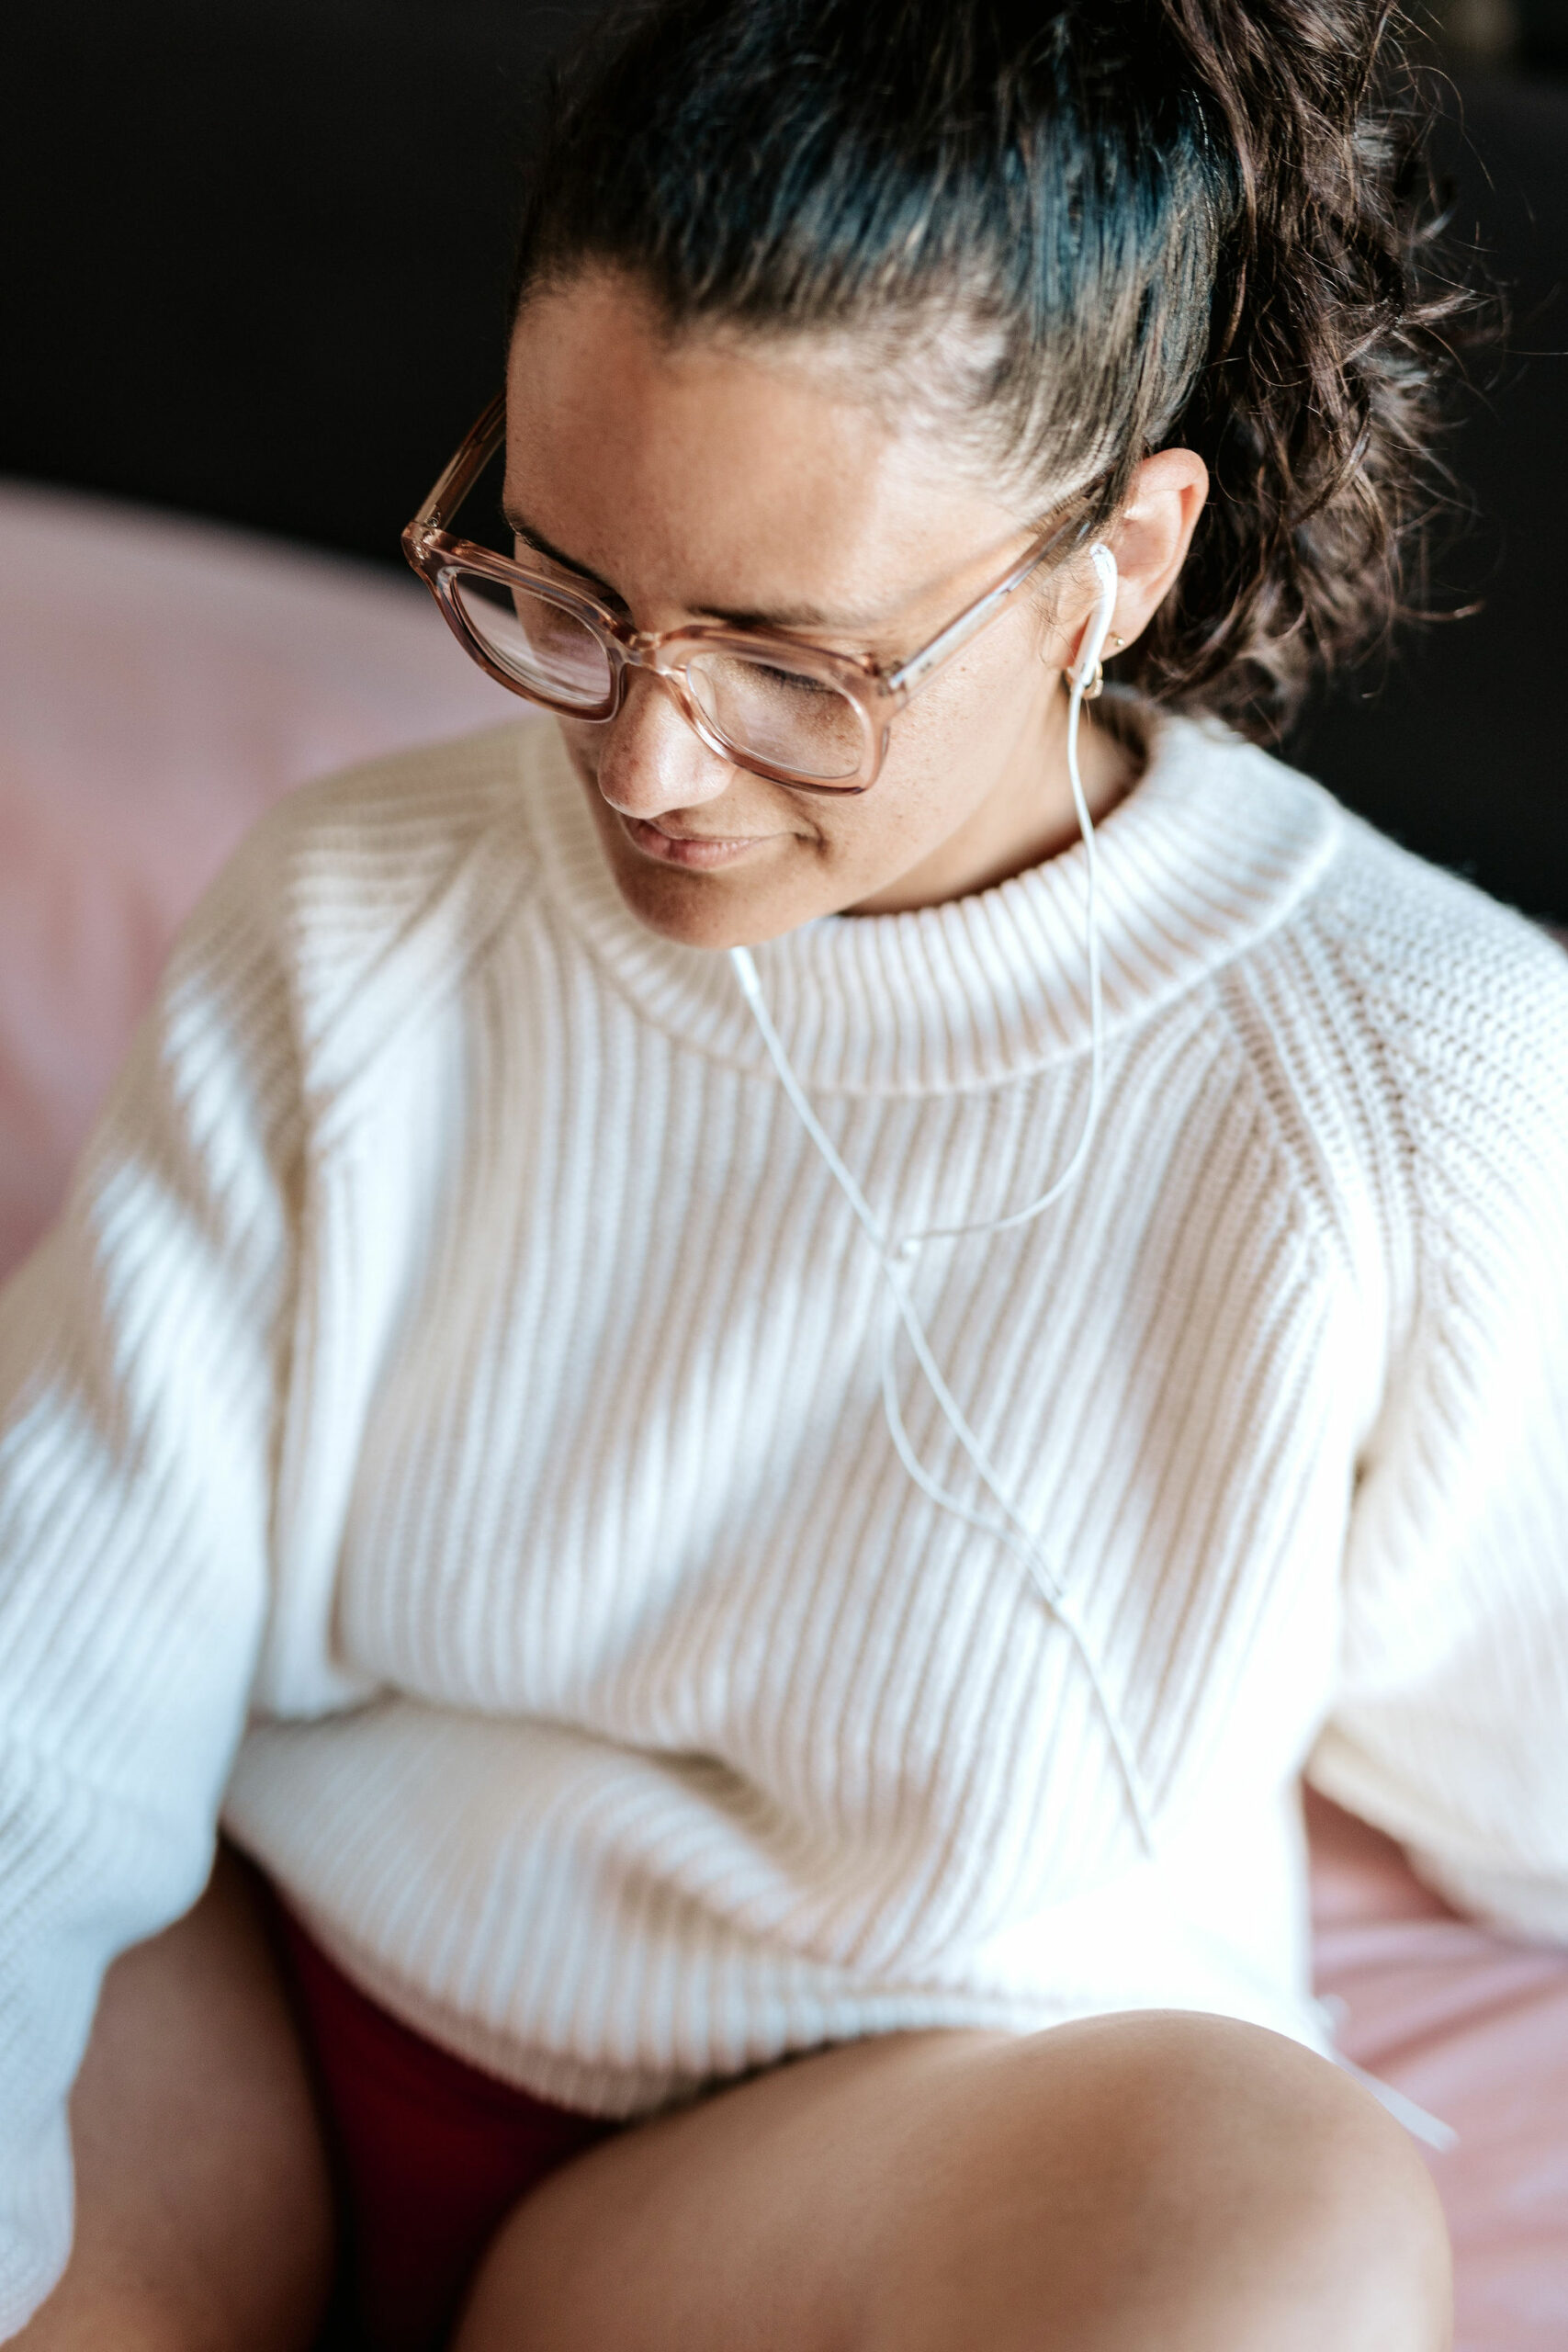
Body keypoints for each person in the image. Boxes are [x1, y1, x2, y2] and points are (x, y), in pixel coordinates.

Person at [3, 0, 1564, 2344]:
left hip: (869, 2130)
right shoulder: (355, 914)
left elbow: (1516, 1749)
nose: (643, 759)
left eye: (786, 658)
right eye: (563, 586)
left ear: (1116, 560)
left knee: (1292, 2229)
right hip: (268, 1990)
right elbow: (57, 1672)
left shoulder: (1406, 1071)